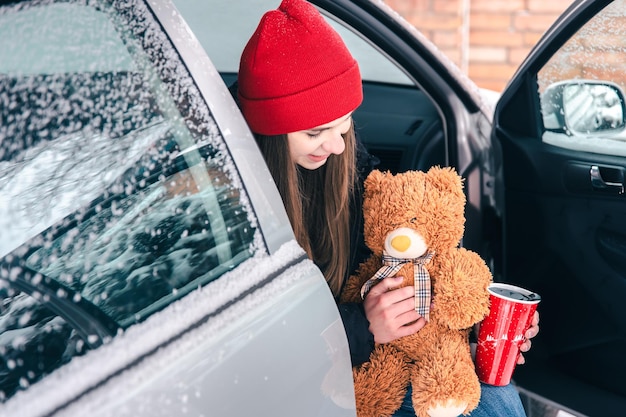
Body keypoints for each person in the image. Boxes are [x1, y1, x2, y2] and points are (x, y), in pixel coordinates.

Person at [235, 0, 540, 416]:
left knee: (493, 394)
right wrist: (361, 327)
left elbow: (385, 261)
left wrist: (461, 329)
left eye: (343, 123)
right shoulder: (234, 205)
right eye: (315, 131)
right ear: (270, 132)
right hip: (309, 377)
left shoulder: (342, 168)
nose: (338, 144)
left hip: (364, 355)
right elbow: (247, 347)